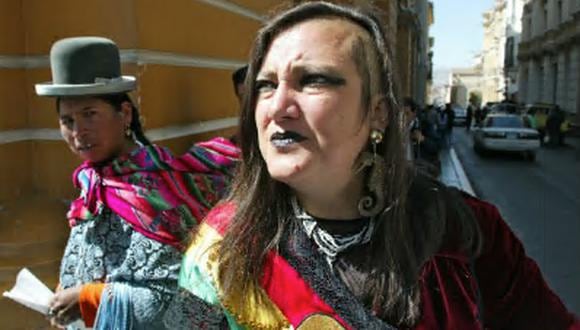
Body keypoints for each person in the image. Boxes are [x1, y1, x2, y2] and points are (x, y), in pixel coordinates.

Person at [166, 2, 579, 329]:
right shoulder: (220, 249)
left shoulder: (465, 233)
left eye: (313, 80)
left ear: (378, 114)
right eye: (265, 85)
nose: (277, 106)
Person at [34, 37, 238, 329]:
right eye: (67, 121)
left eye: (90, 114)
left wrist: (88, 299)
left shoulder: (158, 191)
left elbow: (176, 297)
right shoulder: (93, 185)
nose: (78, 131)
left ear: (124, 114)